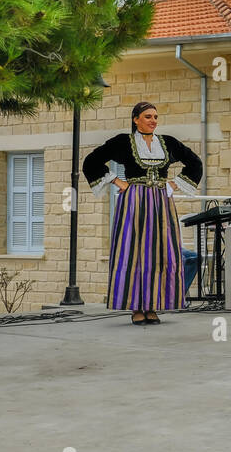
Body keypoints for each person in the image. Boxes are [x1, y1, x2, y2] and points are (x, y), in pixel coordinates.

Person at [83, 101, 202, 326]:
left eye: (155, 117)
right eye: (148, 116)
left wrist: (172, 185)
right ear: (136, 119)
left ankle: (154, 305)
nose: (153, 121)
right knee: (134, 250)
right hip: (134, 201)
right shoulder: (123, 142)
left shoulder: (168, 143)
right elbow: (91, 161)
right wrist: (118, 181)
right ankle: (137, 307)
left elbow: (195, 163)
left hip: (161, 202)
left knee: (159, 251)